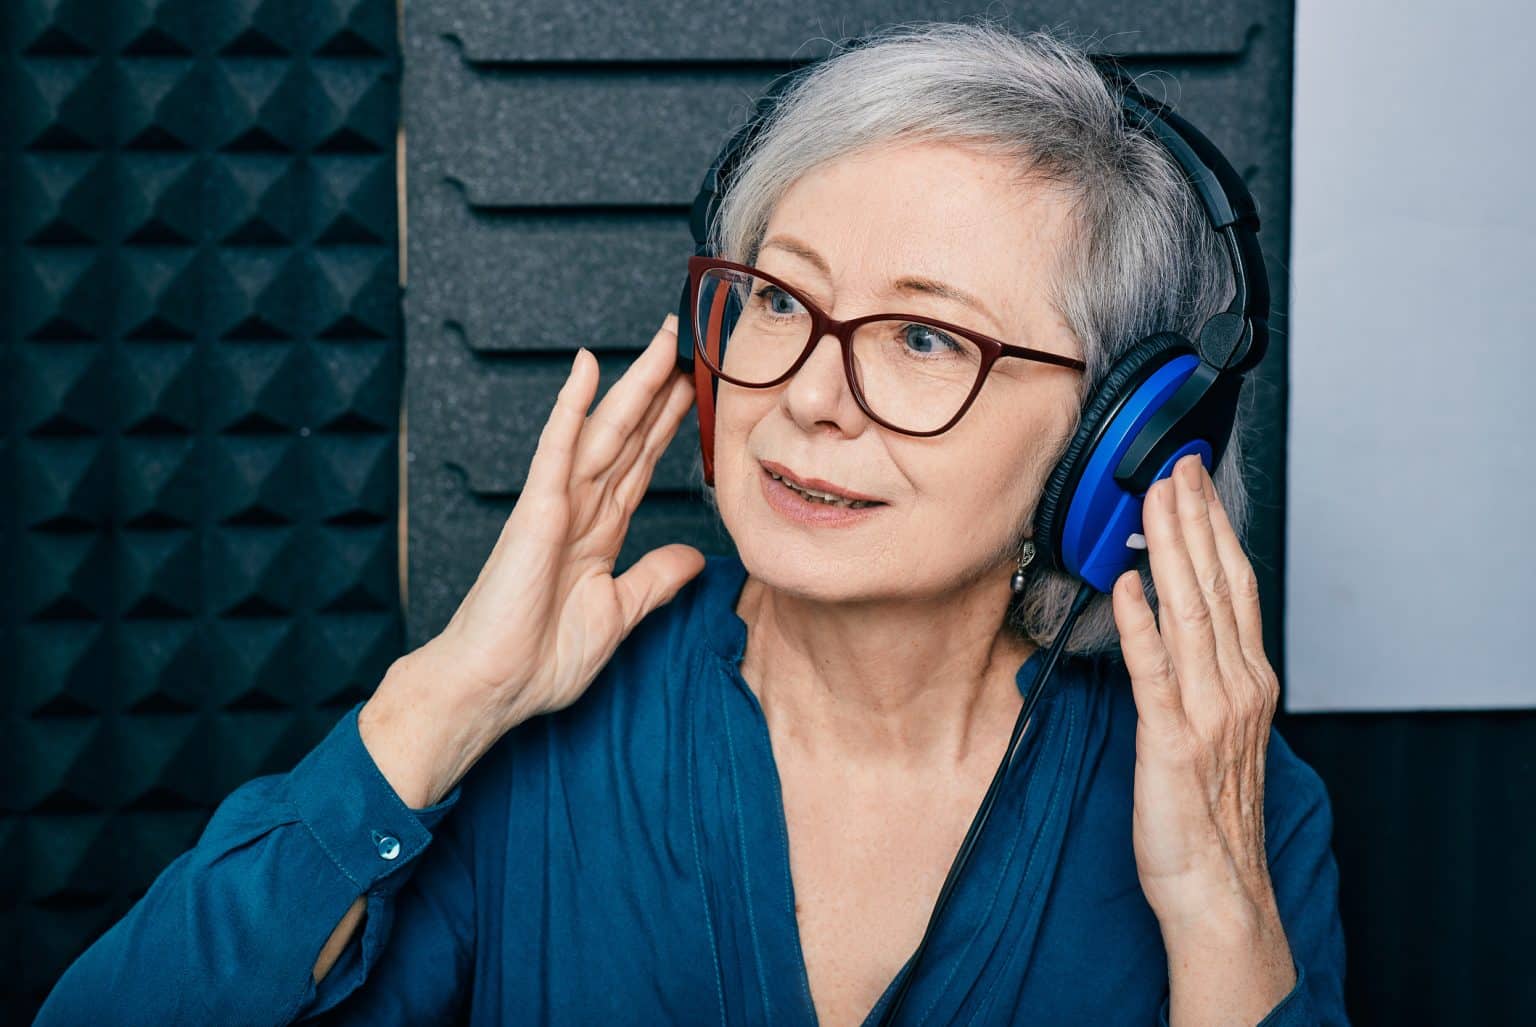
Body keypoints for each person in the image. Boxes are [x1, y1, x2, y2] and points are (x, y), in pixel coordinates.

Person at [37, 21, 1347, 1026]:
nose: (813, 399)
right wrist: (436, 708)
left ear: (1117, 442)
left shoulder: (1236, 800)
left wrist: (1220, 908)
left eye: (923, 335)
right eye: (779, 302)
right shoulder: (527, 755)